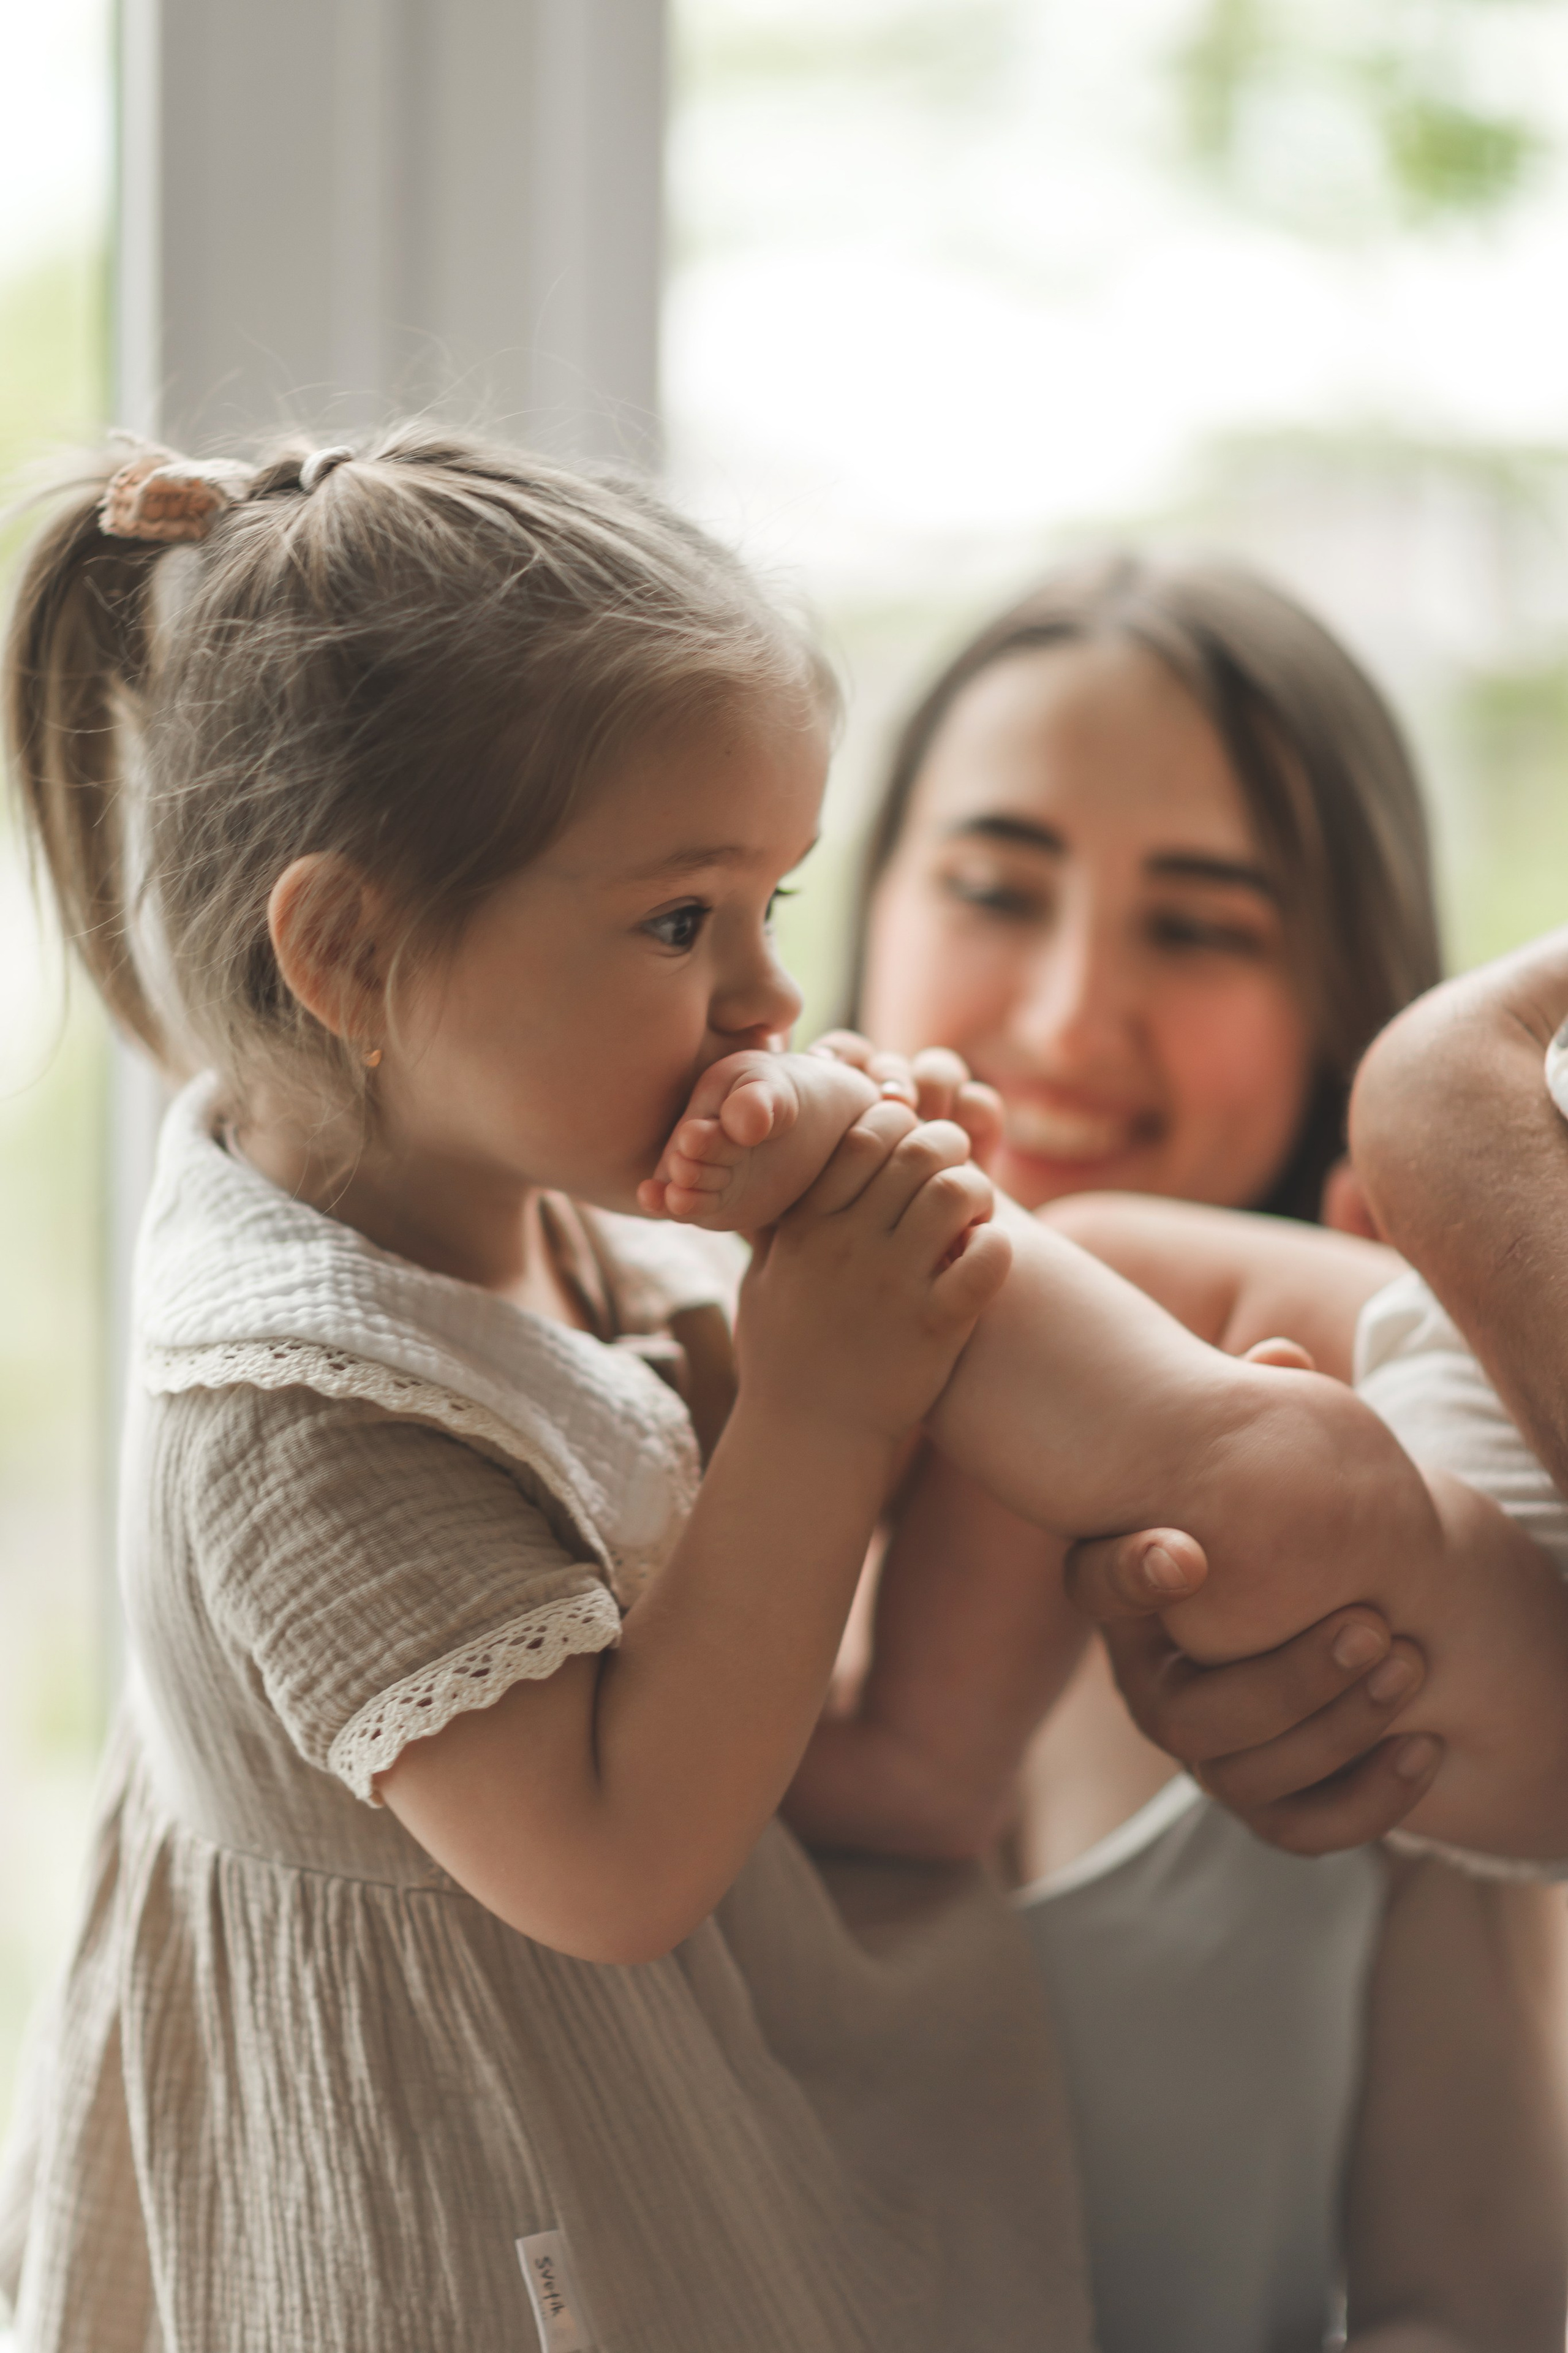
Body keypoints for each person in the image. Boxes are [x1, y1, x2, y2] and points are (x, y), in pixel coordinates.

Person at [0, 431, 1101, 2353]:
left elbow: (767, 1648)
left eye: (774, 901)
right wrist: (831, 1398)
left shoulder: (518, 1202)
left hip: (646, 2084)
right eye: (685, 922)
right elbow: (615, 1860)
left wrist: (888, 1278)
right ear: (349, 952)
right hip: (459, 2216)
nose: (768, 994)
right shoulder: (294, 1408)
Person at [771, 554, 1568, 2351]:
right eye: (992, 885)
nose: (1065, 1017)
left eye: (1201, 926)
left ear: (1335, 1003)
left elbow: (1477, 2302)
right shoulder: (612, 1432)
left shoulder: (1425, 1552)